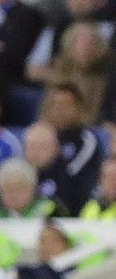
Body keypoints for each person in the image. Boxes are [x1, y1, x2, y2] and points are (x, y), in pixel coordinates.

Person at [39, 82, 104, 214]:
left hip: (74, 206)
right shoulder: (44, 136)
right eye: (55, 105)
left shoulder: (87, 140)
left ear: (78, 108)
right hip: (41, 208)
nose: (59, 111)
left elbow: (73, 173)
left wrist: (51, 160)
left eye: (64, 105)